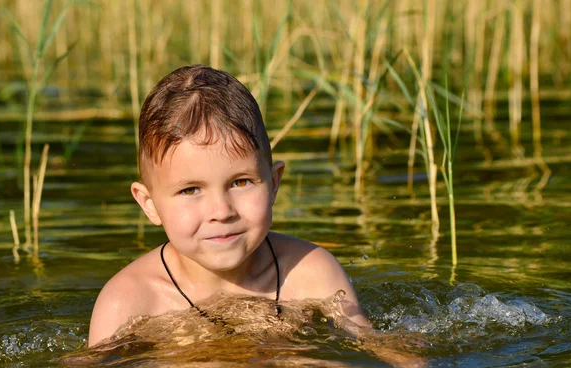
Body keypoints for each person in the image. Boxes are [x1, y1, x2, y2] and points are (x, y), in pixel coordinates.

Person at [88, 65, 370, 349]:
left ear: (273, 183)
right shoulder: (129, 300)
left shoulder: (310, 273)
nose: (221, 212)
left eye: (240, 183)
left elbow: (372, 349)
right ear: (149, 205)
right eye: (190, 190)